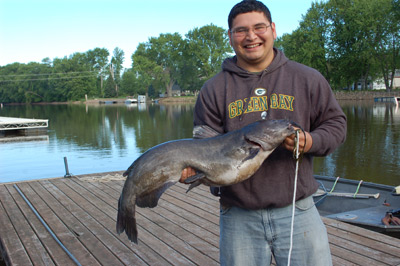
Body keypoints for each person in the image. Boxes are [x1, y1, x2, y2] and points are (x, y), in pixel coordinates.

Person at [181, 0, 347, 265]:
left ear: (273, 29)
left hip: (298, 210)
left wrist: (311, 141)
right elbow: (204, 146)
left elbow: (336, 125)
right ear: (230, 36)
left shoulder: (307, 78)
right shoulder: (213, 89)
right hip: (238, 214)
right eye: (241, 30)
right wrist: (194, 172)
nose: (251, 36)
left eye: (259, 27)